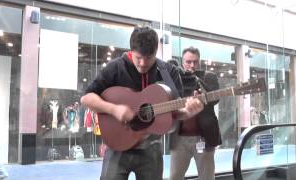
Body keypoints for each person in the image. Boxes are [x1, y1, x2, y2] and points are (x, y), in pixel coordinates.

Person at [80, 26, 204, 180]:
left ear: (156, 52)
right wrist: (114, 109)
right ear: (131, 50)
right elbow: (86, 98)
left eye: (149, 57)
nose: (144, 63)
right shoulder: (116, 67)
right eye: (138, 57)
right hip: (117, 146)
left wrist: (188, 112)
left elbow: (175, 113)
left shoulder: (168, 72)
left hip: (151, 150)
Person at [170, 47, 221, 180]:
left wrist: (198, 82)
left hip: (204, 137)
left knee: (207, 177)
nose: (192, 65)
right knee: (175, 176)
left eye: (195, 62)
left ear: (199, 62)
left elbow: (216, 99)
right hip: (179, 138)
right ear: (182, 62)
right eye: (188, 62)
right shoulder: (176, 78)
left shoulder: (209, 76)